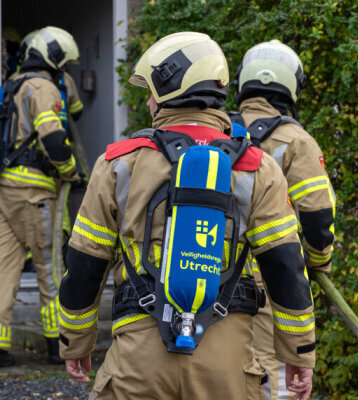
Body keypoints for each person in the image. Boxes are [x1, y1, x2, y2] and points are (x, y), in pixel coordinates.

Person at [58, 32, 315, 400]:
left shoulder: (118, 164)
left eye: (150, 91)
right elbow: (286, 268)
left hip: (139, 360)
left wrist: (75, 341)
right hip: (227, 364)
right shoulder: (257, 168)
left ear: (169, 87)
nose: (148, 101)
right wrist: (298, 352)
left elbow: (84, 262)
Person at [232, 40, 336, 400]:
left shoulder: (218, 133)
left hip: (210, 274)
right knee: (272, 374)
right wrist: (317, 262)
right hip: (269, 279)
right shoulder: (296, 142)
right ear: (293, 87)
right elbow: (318, 216)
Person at [0, 26, 82, 370]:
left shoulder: (11, 84)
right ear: (55, 58)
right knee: (50, 267)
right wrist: (70, 170)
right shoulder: (44, 87)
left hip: (0, 189)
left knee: (1, 267)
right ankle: (58, 345)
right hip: (33, 191)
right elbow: (52, 138)